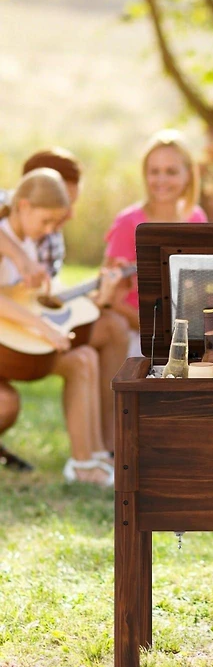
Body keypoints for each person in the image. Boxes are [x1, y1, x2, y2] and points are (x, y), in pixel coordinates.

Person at [0, 148, 128, 469]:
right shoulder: (12, 232)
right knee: (6, 405)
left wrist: (102, 295)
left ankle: (92, 461)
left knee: (82, 357)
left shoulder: (35, 237)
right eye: (47, 220)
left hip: (16, 339)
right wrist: (45, 329)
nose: (50, 229)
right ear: (24, 204)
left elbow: (47, 303)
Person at [103, 129, 208, 357]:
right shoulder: (128, 223)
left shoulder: (196, 218)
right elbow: (109, 299)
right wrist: (160, 335)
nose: (161, 180)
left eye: (171, 171)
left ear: (188, 174)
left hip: (186, 332)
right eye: (154, 172)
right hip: (137, 333)